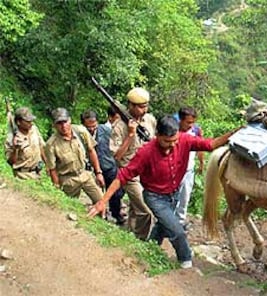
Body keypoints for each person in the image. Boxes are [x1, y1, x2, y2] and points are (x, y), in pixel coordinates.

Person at [89, 115, 241, 269]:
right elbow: (122, 176)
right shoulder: (146, 152)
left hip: (174, 194)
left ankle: (150, 248)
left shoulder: (184, 140)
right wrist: (102, 202)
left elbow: (211, 144)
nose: (171, 146)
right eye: (166, 142)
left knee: (163, 225)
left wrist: (234, 133)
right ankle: (185, 261)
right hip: (155, 197)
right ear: (157, 135)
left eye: (174, 141)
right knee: (178, 232)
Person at [109, 87, 157, 240]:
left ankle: (130, 235)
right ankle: (140, 240)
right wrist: (130, 135)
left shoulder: (150, 120)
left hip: (146, 170)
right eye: (140, 106)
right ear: (130, 106)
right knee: (146, 210)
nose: (144, 110)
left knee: (135, 207)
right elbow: (116, 156)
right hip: (129, 172)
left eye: (145, 106)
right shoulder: (119, 127)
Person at [45, 108, 104, 205]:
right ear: (54, 125)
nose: (63, 126)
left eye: (65, 122)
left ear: (70, 120)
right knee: (68, 207)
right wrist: (56, 188)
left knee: (101, 201)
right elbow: (52, 169)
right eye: (59, 123)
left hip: (84, 174)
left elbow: (91, 150)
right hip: (68, 180)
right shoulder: (51, 144)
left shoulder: (81, 131)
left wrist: (98, 172)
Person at [81, 109, 126, 225]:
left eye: (93, 126)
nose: (91, 129)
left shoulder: (107, 130)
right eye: (88, 126)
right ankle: (101, 214)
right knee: (97, 193)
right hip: (92, 169)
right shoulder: (80, 134)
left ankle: (116, 214)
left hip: (109, 165)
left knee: (115, 194)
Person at [175, 107, 204, 230]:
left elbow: (200, 146)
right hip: (174, 170)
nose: (191, 125)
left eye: (192, 122)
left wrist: (201, 162)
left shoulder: (196, 131)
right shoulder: (173, 130)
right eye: (188, 122)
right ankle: (168, 223)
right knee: (172, 197)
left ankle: (180, 222)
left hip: (189, 169)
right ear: (180, 120)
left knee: (185, 197)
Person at [5, 107, 47, 179]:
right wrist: (15, 149)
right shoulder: (12, 138)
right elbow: (11, 162)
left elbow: (41, 146)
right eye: (27, 121)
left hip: (39, 173)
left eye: (31, 121)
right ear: (19, 122)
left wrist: (48, 165)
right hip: (23, 176)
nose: (30, 123)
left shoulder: (34, 129)